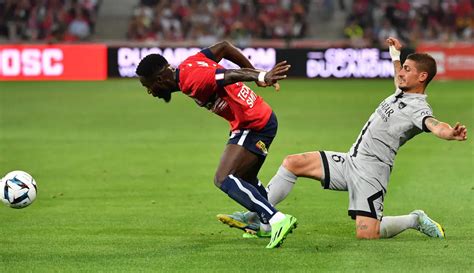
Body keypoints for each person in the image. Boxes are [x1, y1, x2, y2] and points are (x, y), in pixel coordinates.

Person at [218, 37, 468, 240]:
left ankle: (415, 219)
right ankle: (259, 215)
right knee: (293, 162)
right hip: (352, 161)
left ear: (422, 78)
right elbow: (397, 76)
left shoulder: (418, 109)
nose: (401, 73)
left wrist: (450, 134)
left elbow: (434, 125)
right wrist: (395, 55)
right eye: (402, 68)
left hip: (372, 173)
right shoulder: (401, 91)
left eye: (407, 70)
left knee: (368, 233)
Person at [135, 40, 297, 248]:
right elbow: (224, 47)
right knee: (245, 177)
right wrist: (256, 73)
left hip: (253, 122)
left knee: (223, 178)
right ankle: (264, 224)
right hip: (252, 119)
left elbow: (227, 75)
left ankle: (276, 219)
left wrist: (260, 76)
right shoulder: (190, 64)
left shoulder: (191, 79)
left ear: (159, 79)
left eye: (148, 86)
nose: (150, 92)